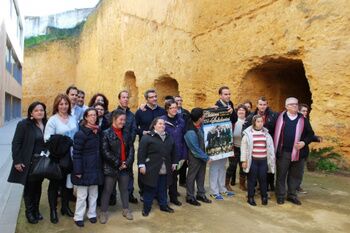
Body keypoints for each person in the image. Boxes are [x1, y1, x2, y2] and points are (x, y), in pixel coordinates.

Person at [8, 102, 47, 224]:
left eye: (41, 110)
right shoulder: (24, 125)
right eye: (36, 110)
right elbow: (16, 143)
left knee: (38, 186)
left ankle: (36, 210)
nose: (39, 112)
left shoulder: (46, 123)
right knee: (30, 188)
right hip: (29, 161)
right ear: (31, 112)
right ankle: (29, 212)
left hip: (41, 162)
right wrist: (17, 161)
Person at [44, 94, 78, 224]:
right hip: (58, 157)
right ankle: (53, 210)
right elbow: (47, 139)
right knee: (54, 184)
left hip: (71, 156)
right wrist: (65, 141)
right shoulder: (53, 120)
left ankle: (65, 207)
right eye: (61, 104)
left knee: (67, 184)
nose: (64, 106)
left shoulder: (72, 118)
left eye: (66, 104)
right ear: (57, 105)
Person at [274, 97, 314, 205]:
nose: (295, 106)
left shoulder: (303, 119)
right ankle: (280, 195)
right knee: (281, 174)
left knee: (295, 175)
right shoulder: (279, 117)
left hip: (298, 153)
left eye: (296, 104)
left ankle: (291, 195)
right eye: (292, 104)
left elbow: (311, 134)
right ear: (286, 106)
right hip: (283, 152)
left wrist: (304, 143)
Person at [100, 110, 134, 223]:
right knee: (107, 190)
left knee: (124, 189)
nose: (123, 122)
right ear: (114, 119)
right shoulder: (106, 133)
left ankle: (126, 209)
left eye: (124, 120)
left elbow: (131, 149)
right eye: (121, 120)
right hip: (111, 167)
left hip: (125, 167)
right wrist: (118, 163)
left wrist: (127, 163)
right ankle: (103, 212)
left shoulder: (126, 133)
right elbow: (105, 152)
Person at [138, 118, 177, 217]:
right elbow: (141, 152)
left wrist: (174, 163)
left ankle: (163, 205)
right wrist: (141, 165)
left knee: (163, 188)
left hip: (165, 168)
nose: (162, 126)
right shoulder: (147, 137)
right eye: (160, 124)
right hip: (151, 168)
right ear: (154, 125)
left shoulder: (169, 137)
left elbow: (174, 151)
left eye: (163, 124)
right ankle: (146, 208)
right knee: (150, 189)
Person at [72, 108, 104, 227]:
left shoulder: (97, 132)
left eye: (94, 115)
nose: (93, 117)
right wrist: (78, 170)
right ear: (85, 117)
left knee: (94, 194)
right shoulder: (80, 134)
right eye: (90, 115)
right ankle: (78, 216)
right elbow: (76, 153)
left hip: (95, 167)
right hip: (84, 168)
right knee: (81, 195)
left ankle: (92, 214)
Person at [135, 89, 166, 199]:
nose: (154, 99)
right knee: (143, 167)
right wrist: (142, 132)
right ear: (146, 99)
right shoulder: (140, 111)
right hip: (145, 143)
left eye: (155, 96)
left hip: (159, 144)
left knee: (157, 167)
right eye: (152, 97)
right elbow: (134, 127)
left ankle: (156, 192)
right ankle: (143, 192)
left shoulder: (162, 111)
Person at [243, 96, 278, 191]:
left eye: (264, 104)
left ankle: (268, 187)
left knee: (268, 167)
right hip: (254, 147)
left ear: (267, 105)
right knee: (253, 170)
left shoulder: (273, 116)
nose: (262, 106)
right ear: (257, 105)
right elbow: (245, 131)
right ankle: (253, 189)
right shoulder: (251, 116)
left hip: (267, 146)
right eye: (260, 104)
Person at [241, 115, 275, 206]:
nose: (260, 123)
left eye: (261, 121)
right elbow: (244, 149)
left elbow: (271, 148)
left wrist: (271, 160)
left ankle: (264, 196)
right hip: (253, 161)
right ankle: (250, 197)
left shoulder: (266, 134)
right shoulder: (248, 134)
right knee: (251, 179)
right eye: (258, 121)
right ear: (254, 122)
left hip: (263, 160)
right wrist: (244, 161)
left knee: (263, 179)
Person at [210, 86, 236, 200]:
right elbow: (211, 124)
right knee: (215, 166)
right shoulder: (215, 107)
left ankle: (222, 189)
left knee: (222, 165)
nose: (228, 96)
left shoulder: (230, 104)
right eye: (225, 94)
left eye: (229, 94)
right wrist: (214, 111)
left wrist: (232, 112)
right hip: (217, 140)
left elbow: (234, 120)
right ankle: (213, 191)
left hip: (226, 138)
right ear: (220, 95)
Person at [160, 100, 187, 206]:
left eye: (175, 107)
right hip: (164, 154)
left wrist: (184, 155)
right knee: (163, 178)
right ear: (167, 109)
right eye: (171, 108)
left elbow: (184, 138)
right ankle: (161, 198)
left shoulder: (181, 121)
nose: (174, 109)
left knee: (174, 177)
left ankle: (173, 197)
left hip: (177, 154)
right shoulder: (162, 120)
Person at [184, 108, 212, 206]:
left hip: (202, 155)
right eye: (203, 115)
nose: (204, 117)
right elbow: (195, 149)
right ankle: (190, 196)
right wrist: (206, 158)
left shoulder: (200, 124)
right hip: (195, 157)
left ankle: (201, 194)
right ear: (200, 118)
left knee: (201, 175)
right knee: (192, 176)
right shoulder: (190, 132)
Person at [114, 90, 138, 203]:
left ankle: (129, 194)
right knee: (114, 172)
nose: (125, 99)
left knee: (129, 173)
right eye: (123, 97)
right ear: (119, 99)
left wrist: (127, 144)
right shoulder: (113, 114)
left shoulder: (131, 116)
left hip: (128, 148)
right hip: (115, 149)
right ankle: (112, 195)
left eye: (127, 97)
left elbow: (133, 131)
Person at [297, 104, 322, 194]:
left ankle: (297, 186)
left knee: (300, 170)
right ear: (298, 111)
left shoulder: (306, 121)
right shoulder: (295, 121)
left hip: (303, 150)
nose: (305, 113)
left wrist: (315, 138)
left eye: (306, 111)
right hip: (294, 149)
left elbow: (309, 135)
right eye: (303, 111)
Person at [225, 104, 248, 191]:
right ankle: (226, 183)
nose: (241, 112)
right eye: (239, 110)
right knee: (232, 166)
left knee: (243, 167)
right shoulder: (233, 121)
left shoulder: (248, 122)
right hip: (234, 147)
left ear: (246, 112)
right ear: (237, 111)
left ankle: (242, 184)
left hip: (244, 148)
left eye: (243, 110)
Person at [174, 95, 190, 187]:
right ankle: (173, 184)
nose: (179, 102)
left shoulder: (186, 112)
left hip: (184, 139)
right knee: (175, 162)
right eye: (177, 100)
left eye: (180, 100)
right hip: (176, 140)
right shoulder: (171, 113)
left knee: (184, 161)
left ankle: (182, 181)